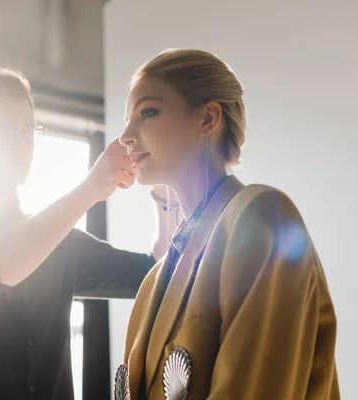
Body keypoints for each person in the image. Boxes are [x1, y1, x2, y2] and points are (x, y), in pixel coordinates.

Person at [0, 68, 177, 400]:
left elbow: (159, 273)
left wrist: (165, 185)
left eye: (27, 131)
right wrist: (88, 190)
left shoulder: (60, 241)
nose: (21, 146)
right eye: (3, 131)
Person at [114, 49, 339, 400]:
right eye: (126, 120)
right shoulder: (154, 280)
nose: (126, 135)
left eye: (148, 112)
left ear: (208, 118)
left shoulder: (263, 218)